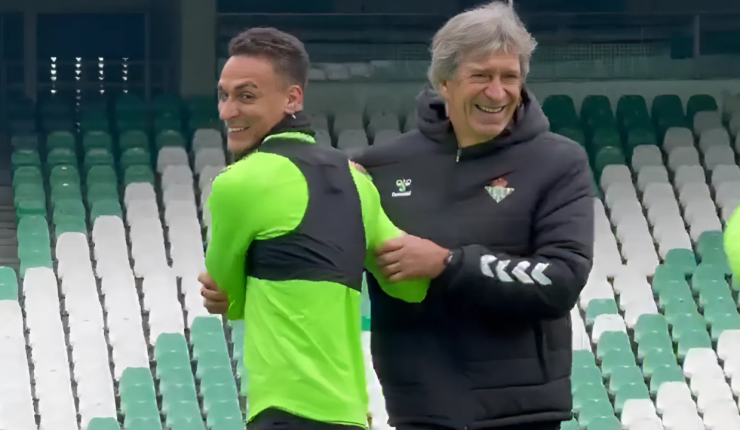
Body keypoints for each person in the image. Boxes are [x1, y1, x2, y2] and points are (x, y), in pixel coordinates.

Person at [352, 3, 594, 430]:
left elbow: (562, 279)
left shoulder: (558, 162)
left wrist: (448, 264)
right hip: (419, 411)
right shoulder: (382, 167)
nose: (497, 93)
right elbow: (325, 257)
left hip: (521, 414)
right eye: (480, 76)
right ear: (444, 83)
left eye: (509, 77)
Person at [200, 27, 428, 430]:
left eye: (246, 96)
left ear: (293, 98)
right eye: (224, 95)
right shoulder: (357, 182)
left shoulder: (238, 183)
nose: (227, 111)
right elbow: (412, 287)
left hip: (284, 411)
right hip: (350, 414)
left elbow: (227, 299)